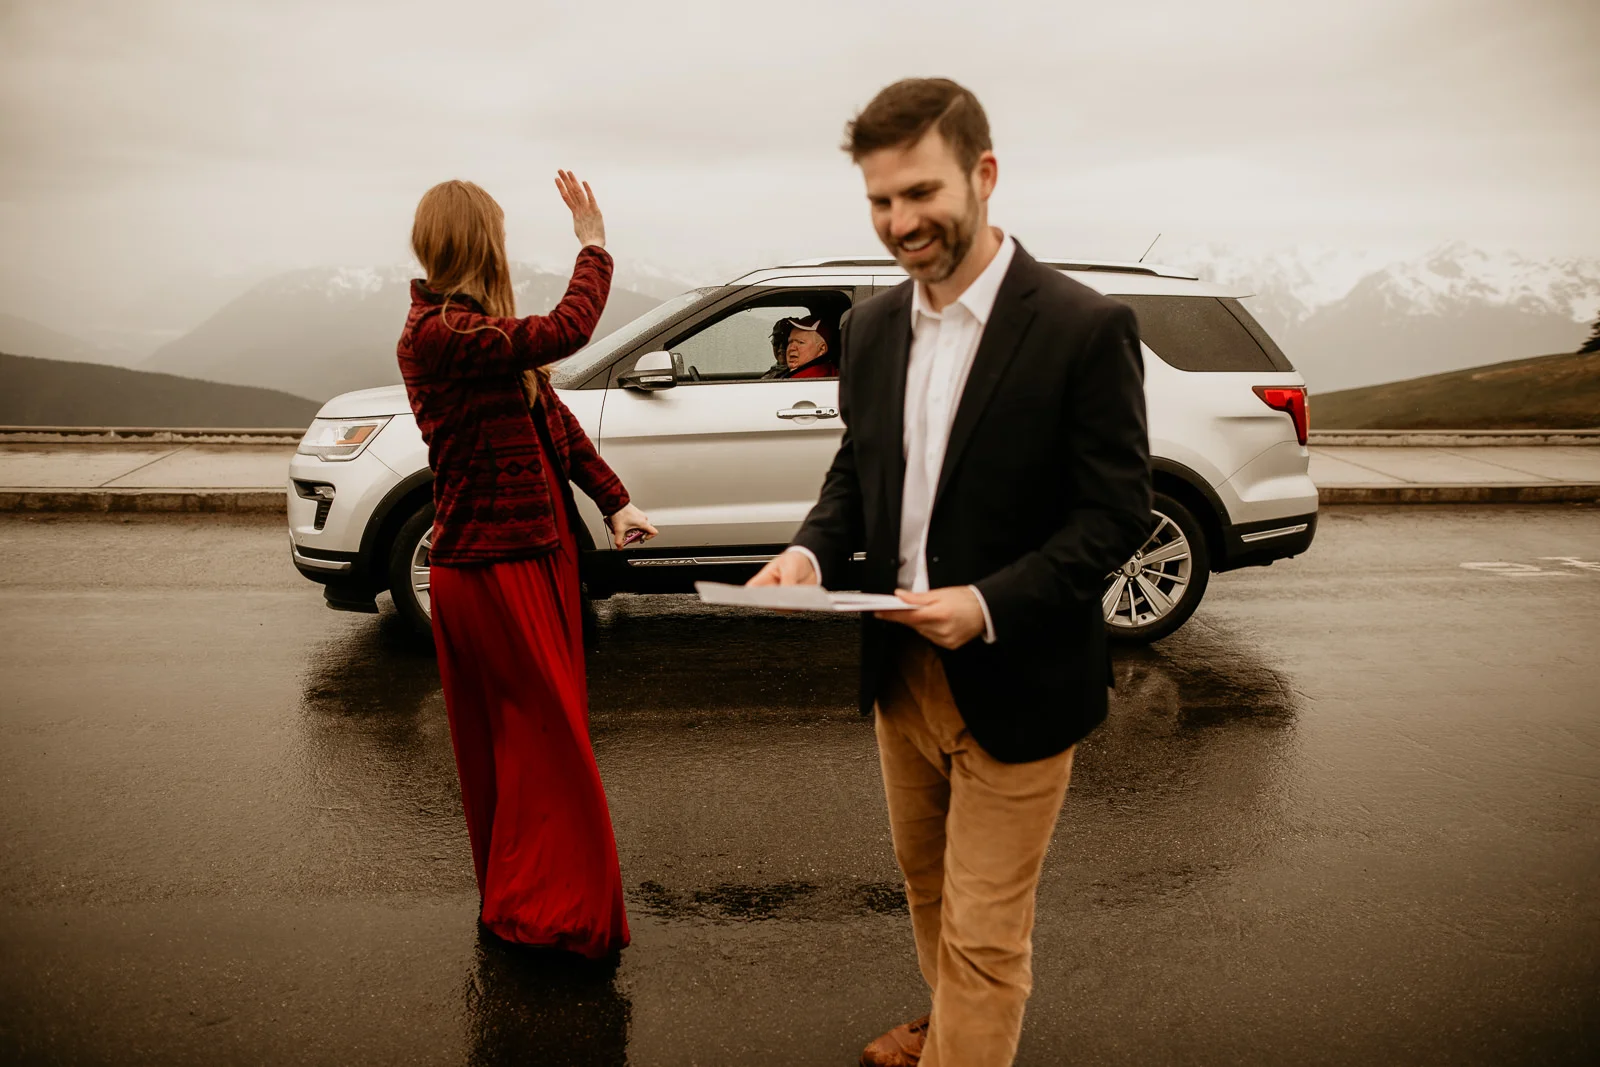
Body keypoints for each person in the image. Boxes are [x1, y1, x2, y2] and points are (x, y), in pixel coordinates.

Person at [748, 79, 1152, 1066]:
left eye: (920, 192)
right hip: (899, 674)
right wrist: (809, 548)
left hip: (1018, 677)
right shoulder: (873, 327)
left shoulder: (1081, 327)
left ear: (983, 174)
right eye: (881, 201)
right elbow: (858, 466)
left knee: (982, 930)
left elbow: (1115, 514)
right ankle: (951, 1025)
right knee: (928, 892)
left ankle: (965, 1037)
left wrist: (985, 603)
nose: (900, 222)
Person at [397, 173, 657, 960]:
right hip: (492, 570)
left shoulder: (482, 333)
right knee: (547, 749)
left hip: (530, 560)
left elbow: (555, 416)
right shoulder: (438, 335)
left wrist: (615, 501)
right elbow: (568, 330)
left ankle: (531, 902)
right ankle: (551, 916)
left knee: (538, 743)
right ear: (480, 244)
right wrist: (593, 247)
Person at [769, 315, 841, 379]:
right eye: (790, 342)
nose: (791, 348)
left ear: (822, 349)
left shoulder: (811, 379)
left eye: (800, 342)